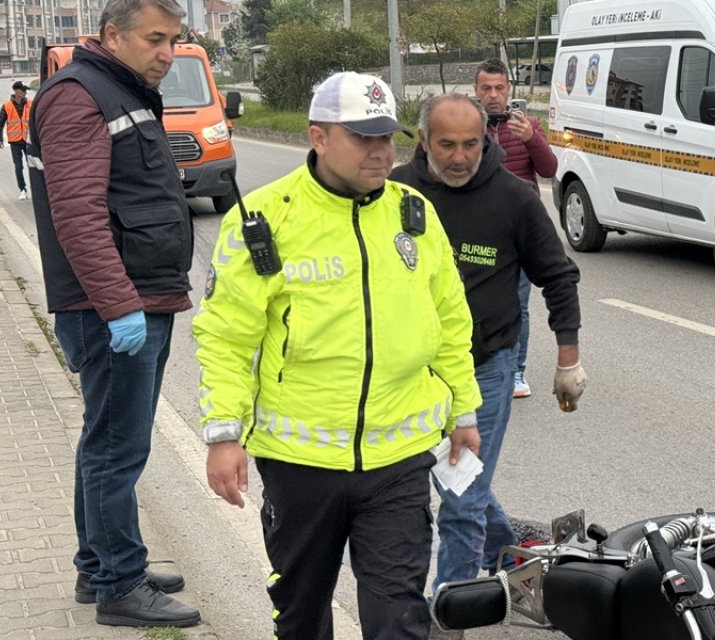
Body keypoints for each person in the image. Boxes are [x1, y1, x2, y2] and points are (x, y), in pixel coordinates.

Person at [194, 71, 483, 640]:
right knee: (301, 617)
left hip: (397, 463)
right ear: (318, 138)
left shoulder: (413, 215)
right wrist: (223, 433)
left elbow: (450, 323)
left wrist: (464, 414)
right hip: (301, 466)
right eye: (362, 138)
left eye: (387, 138)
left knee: (398, 617)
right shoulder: (263, 222)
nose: (380, 152)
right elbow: (227, 337)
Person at [24, 0, 200, 627]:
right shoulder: (79, 96)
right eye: (156, 40)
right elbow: (78, 214)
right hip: (112, 308)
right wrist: (120, 306)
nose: (168, 53)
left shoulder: (116, 90)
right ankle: (120, 587)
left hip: (139, 297)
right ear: (112, 36)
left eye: (175, 41)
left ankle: (98, 564)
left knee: (107, 443)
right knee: (116, 451)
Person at [391, 93, 585, 625]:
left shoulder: (513, 198)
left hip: (484, 371)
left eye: (471, 144)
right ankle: (516, 558)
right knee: (457, 486)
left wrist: (567, 359)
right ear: (424, 141)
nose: (459, 157)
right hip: (409, 373)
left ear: (487, 140)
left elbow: (558, 275)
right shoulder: (396, 195)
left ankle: (443, 617)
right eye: (446, 145)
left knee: (460, 498)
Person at [472, 59, 559, 399]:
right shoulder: (466, 128)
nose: (493, 95)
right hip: (479, 230)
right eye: (486, 89)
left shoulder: (527, 125)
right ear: (475, 91)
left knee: (518, 303)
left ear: (509, 90)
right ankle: (479, 365)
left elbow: (549, 168)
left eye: (500, 88)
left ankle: (516, 371)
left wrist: (532, 139)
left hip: (520, 232)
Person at [0, 80, 32, 200]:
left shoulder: (30, 104)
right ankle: (23, 189)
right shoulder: (7, 106)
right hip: (15, 141)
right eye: (23, 90)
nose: (25, 92)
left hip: (28, 141)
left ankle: (36, 188)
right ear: (17, 91)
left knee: (33, 165)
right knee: (18, 166)